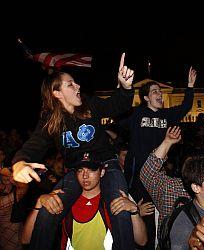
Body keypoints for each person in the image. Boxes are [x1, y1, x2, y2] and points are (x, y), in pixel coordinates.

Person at [11, 53, 136, 249]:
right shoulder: (50, 122)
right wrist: (19, 163)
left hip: (107, 165)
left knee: (119, 207)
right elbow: (33, 145)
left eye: (75, 83)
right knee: (48, 209)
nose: (77, 86)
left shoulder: (90, 104)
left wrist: (126, 88)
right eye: (70, 84)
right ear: (57, 93)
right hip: (76, 172)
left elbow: (116, 105)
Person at [121, 67, 196, 249]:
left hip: (158, 173)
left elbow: (185, 107)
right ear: (146, 98)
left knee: (157, 211)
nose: (160, 94)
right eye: (155, 92)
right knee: (140, 211)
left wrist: (190, 86)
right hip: (137, 174)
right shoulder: (136, 114)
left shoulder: (166, 115)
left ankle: (160, 242)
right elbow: (117, 113)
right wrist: (123, 88)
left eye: (160, 91)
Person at [22, 152, 149, 249]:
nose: (85, 176)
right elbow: (26, 239)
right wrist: (39, 203)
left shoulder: (117, 198)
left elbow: (142, 240)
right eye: (80, 170)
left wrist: (134, 210)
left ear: (102, 172)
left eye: (91, 170)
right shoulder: (65, 199)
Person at [0, 167, 28, 250]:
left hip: (17, 233)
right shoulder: (3, 201)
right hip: (10, 240)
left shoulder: (5, 189)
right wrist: (13, 177)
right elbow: (24, 188)